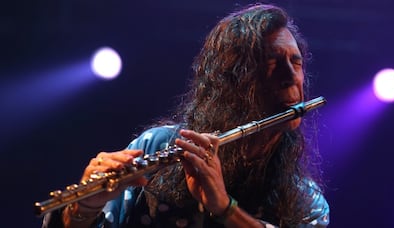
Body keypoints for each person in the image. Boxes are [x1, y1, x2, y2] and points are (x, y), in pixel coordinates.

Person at [42, 3, 329, 228]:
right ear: (234, 80)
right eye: (271, 62)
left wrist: (224, 207)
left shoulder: (305, 199)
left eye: (296, 62)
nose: (291, 77)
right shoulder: (161, 146)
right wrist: (84, 209)